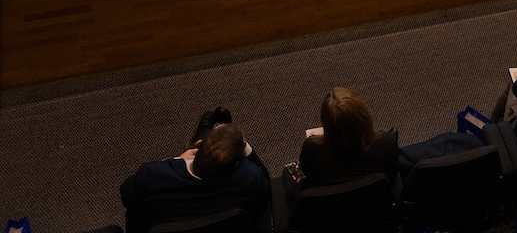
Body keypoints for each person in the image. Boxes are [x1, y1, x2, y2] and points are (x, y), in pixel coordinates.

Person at [120, 114, 270, 233]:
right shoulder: (249, 179)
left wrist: (177, 160)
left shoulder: (152, 175)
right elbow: (266, 184)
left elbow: (126, 195)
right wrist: (244, 147)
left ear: (198, 145)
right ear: (237, 163)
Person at [289, 87, 399, 203]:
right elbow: (392, 175)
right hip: (372, 206)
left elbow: (307, 173)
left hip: (328, 209)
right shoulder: (387, 143)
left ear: (326, 122)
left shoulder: (312, 150)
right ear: (363, 116)